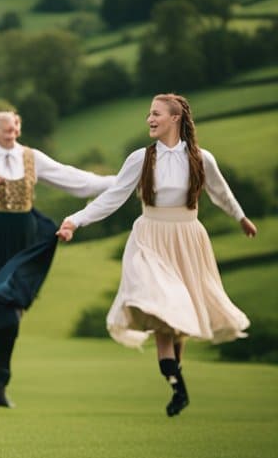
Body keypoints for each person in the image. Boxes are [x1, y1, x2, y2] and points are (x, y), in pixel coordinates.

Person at [57, 93, 256, 416]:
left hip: (187, 238)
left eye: (156, 114)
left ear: (175, 118)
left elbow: (221, 192)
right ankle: (177, 384)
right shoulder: (140, 159)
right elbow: (113, 196)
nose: (150, 119)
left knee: (179, 313)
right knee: (162, 309)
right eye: (149, 114)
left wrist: (240, 218)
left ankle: (177, 385)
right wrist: (75, 221)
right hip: (149, 237)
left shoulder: (202, 159)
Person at [0, 110, 115, 407]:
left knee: (12, 309)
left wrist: (119, 181)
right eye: (4, 130)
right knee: (1, 306)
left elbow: (74, 180)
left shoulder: (32, 157)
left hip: (24, 237)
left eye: (14, 128)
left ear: (19, 128)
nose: (10, 133)